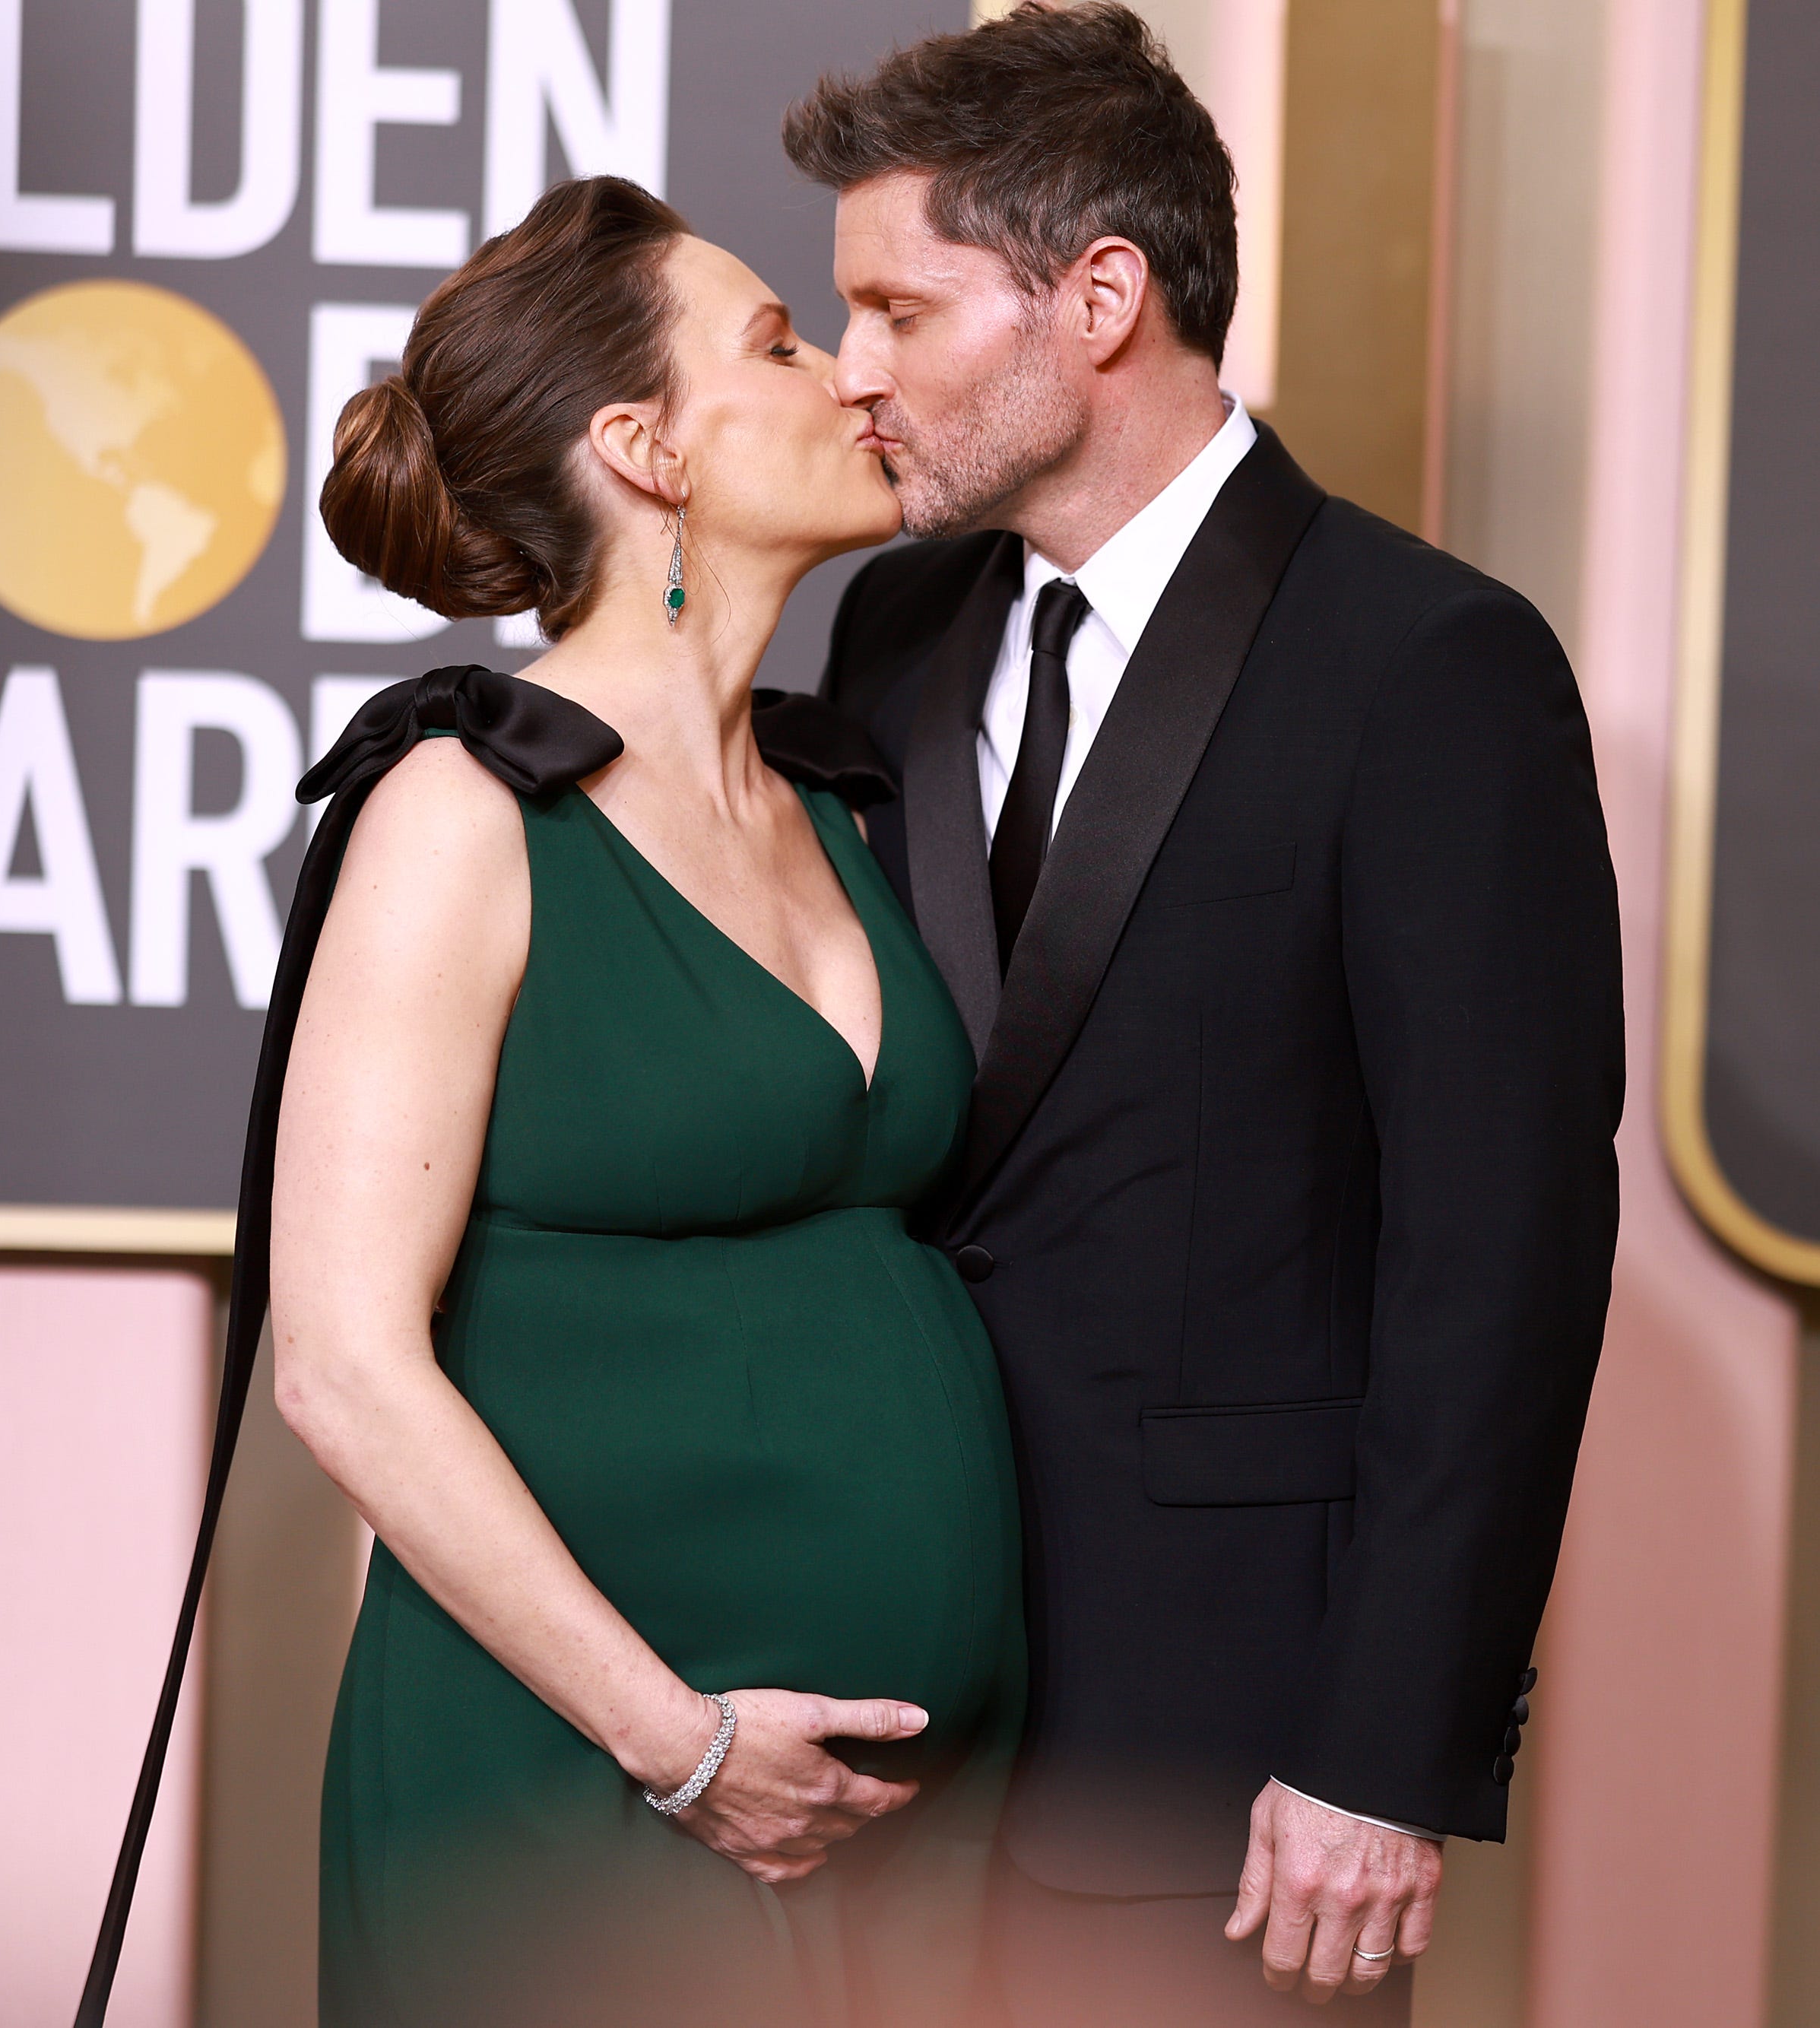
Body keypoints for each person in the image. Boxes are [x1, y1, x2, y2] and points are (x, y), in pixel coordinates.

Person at [785, 6, 1625, 2022]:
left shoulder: (1425, 662)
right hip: (896, 1703)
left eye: (900, 305)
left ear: (1098, 296)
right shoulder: (891, 625)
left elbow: (1496, 1252)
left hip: (1234, 1751)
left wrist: (1379, 1746)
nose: (855, 370)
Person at [251, 178, 1022, 2025]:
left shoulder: (847, 797)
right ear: (641, 446)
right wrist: (674, 1740)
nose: (849, 376)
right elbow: (340, 1359)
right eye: (774, 343)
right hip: (590, 1789)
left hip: (907, 1815)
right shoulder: (463, 814)